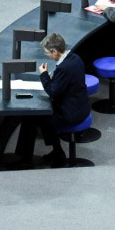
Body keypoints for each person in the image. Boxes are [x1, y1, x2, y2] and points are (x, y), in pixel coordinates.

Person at [27, 33, 91, 165]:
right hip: (81, 106)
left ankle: (55, 153)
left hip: (72, 113)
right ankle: (57, 150)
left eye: (47, 53)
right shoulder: (75, 58)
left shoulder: (64, 68)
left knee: (36, 116)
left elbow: (52, 92)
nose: (47, 56)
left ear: (55, 51)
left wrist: (44, 75)